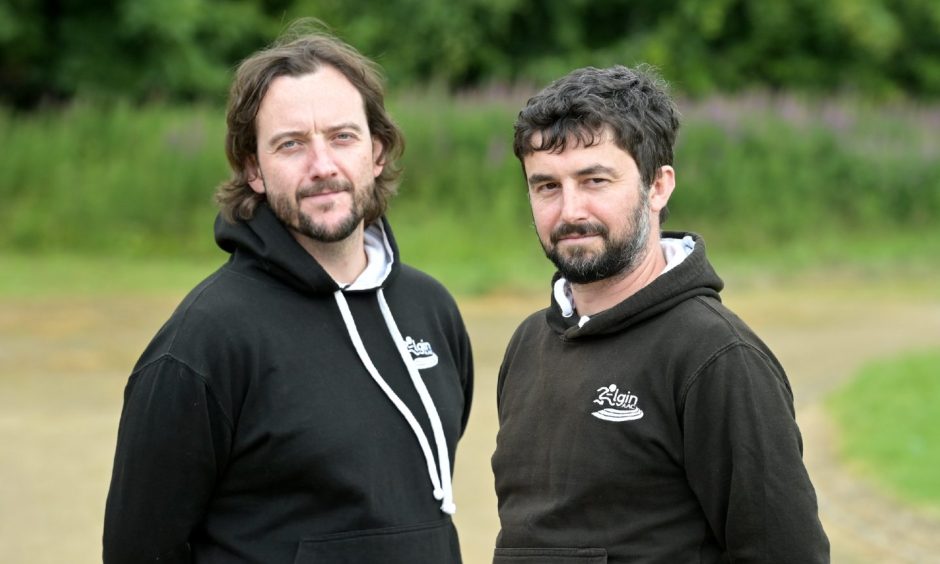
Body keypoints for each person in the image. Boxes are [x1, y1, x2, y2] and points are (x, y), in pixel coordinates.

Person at [103, 21, 473, 564]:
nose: (322, 166)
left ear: (377, 150)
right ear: (253, 167)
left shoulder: (430, 309)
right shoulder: (203, 343)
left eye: (343, 137)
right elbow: (138, 550)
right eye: (291, 144)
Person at [491, 65, 829, 563]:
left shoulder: (716, 357)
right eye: (546, 186)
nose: (569, 210)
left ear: (658, 186)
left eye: (595, 180)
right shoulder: (527, 344)